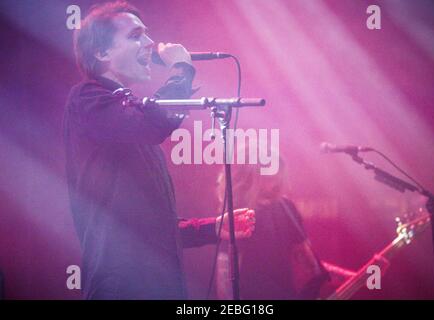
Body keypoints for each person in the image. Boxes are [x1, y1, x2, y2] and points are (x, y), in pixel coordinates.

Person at [63, 1, 254, 299]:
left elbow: (150, 229)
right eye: (136, 35)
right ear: (102, 53)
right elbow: (153, 125)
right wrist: (181, 69)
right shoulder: (87, 99)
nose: (150, 43)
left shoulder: (131, 115)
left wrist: (210, 229)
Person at [215, 155, 328, 299]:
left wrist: (317, 288)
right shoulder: (240, 213)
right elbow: (226, 269)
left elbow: (308, 259)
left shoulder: (285, 206)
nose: (275, 181)